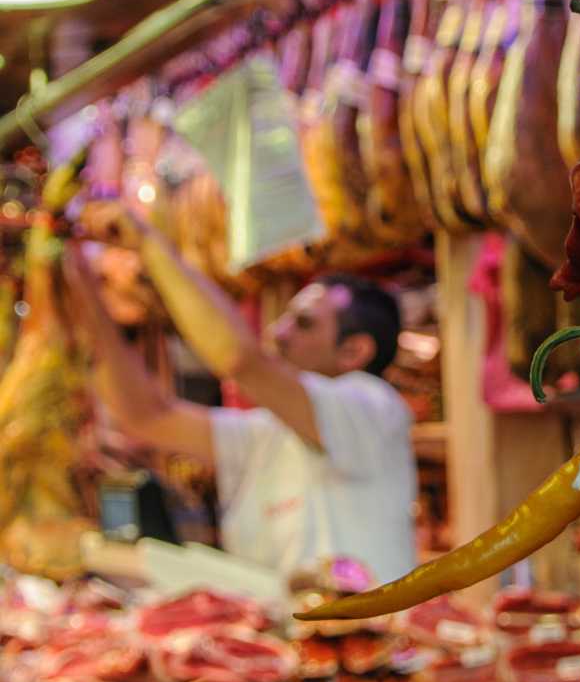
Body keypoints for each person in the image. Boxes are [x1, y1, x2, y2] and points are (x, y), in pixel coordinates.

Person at [63, 201, 417, 584]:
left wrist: (148, 243)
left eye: (303, 323)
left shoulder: (372, 408)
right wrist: (81, 287)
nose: (277, 333)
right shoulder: (269, 432)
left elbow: (238, 359)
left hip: (372, 638)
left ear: (354, 352)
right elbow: (148, 416)